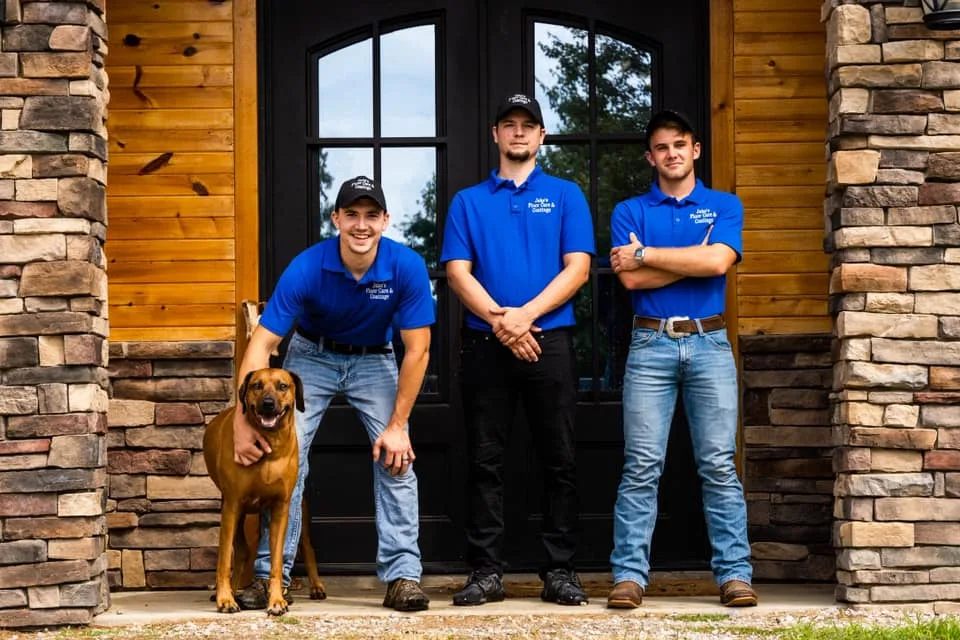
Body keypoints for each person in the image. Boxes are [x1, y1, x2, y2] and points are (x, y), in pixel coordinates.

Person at [233, 175, 435, 612]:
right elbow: (262, 345)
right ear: (336, 218)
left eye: (371, 215)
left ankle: (403, 576)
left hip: (375, 358)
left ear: (385, 220)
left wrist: (398, 425)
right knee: (286, 459)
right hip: (312, 356)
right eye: (352, 215)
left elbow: (418, 350)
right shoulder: (307, 267)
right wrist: (241, 421)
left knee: (397, 456)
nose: (361, 225)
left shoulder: (406, 266)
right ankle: (270, 577)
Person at [440, 93, 594, 606]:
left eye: (529, 125)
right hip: (486, 343)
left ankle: (560, 571)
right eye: (509, 124)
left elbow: (578, 268)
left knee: (559, 460)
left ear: (542, 136)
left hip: (550, 342)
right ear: (496, 134)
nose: (519, 132)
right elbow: (457, 272)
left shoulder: (566, 194)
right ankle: (486, 571)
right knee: (485, 460)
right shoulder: (468, 201)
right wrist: (502, 322)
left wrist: (524, 316)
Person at [606, 110, 756, 609]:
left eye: (679, 145)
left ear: (695, 150)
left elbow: (719, 262)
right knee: (641, 465)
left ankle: (734, 575)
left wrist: (648, 254)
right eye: (661, 147)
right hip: (650, 343)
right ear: (651, 158)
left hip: (710, 342)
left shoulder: (724, 204)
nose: (671, 154)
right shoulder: (629, 210)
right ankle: (629, 577)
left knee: (718, 465)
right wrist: (696, 259)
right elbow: (631, 279)